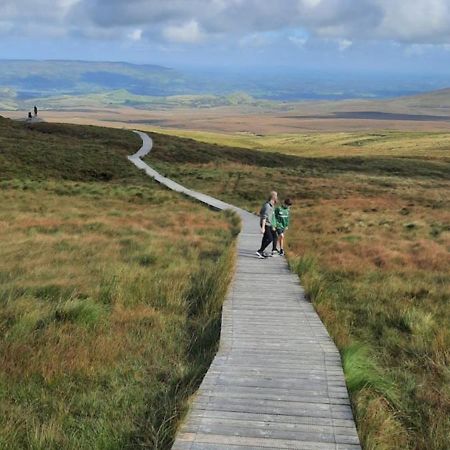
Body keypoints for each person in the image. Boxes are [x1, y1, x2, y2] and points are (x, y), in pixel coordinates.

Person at [256, 191, 278, 258]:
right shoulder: (267, 206)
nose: (277, 197)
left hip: (269, 224)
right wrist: (263, 228)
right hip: (265, 224)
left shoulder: (271, 205)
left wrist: (273, 225)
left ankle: (261, 251)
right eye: (276, 196)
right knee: (270, 238)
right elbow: (264, 217)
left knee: (266, 237)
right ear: (273, 197)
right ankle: (260, 251)